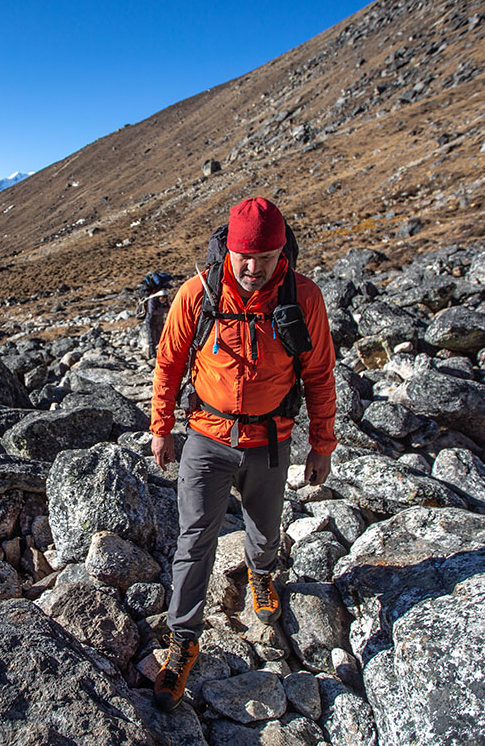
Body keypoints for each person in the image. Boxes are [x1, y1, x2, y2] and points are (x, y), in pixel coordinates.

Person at [148, 197, 338, 712]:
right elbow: (168, 363)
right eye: (244, 258)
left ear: (283, 252)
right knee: (194, 537)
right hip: (207, 437)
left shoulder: (304, 299)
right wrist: (161, 427)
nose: (254, 269)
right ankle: (183, 639)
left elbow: (319, 374)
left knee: (264, 529)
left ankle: (261, 572)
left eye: (267, 257)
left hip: (271, 440)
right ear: (227, 250)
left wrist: (322, 444)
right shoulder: (199, 294)